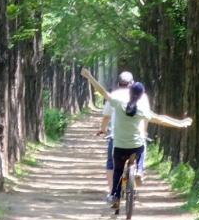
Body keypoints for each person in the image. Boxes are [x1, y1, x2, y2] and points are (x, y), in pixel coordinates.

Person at [81, 68, 192, 207]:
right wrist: (180, 124)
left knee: (117, 170)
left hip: (119, 145)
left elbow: (103, 92)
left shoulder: (118, 103)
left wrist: (90, 77)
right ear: (140, 95)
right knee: (142, 146)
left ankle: (115, 195)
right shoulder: (141, 110)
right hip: (136, 145)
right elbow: (161, 119)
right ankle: (139, 170)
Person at [97, 71, 149, 199]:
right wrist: (144, 131)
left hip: (117, 138)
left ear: (118, 83)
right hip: (137, 138)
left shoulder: (114, 96)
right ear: (132, 83)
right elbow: (147, 118)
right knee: (141, 151)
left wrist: (103, 129)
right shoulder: (142, 96)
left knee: (112, 164)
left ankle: (113, 193)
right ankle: (139, 171)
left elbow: (106, 116)